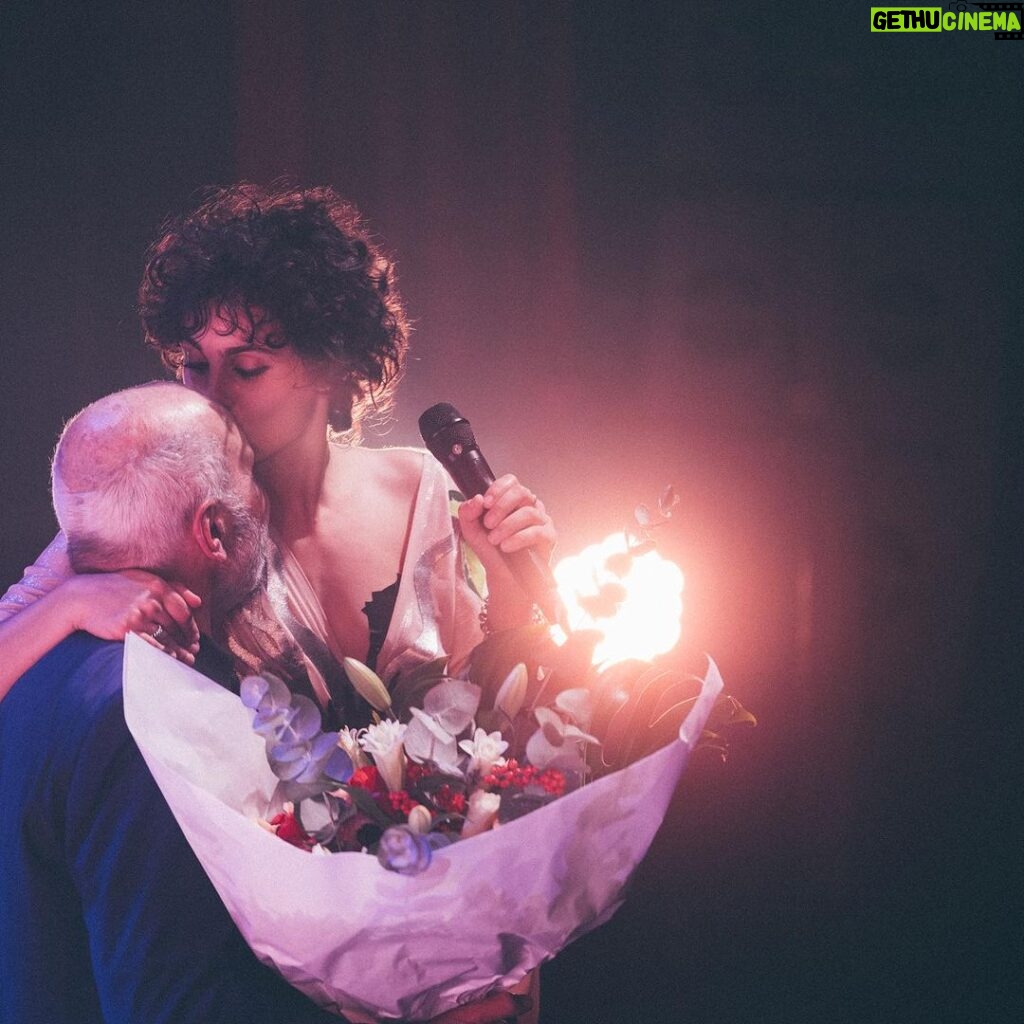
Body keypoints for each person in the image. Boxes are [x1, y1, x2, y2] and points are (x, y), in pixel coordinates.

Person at [0, 382, 529, 1024]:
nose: (268, 502)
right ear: (214, 530)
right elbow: (180, 1002)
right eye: (252, 478)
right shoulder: (138, 716)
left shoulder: (43, 673)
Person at [0, 183, 556, 711]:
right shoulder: (163, 510)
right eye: (194, 365)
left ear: (329, 364)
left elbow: (491, 717)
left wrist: (510, 590)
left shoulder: (421, 488)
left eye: (245, 369)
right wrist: (68, 605)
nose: (211, 396)